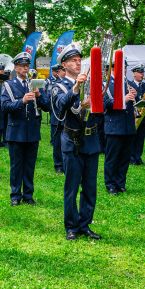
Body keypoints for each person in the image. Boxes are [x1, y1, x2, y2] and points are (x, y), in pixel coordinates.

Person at [51, 43, 102, 241]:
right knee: (71, 187)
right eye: (73, 60)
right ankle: (71, 226)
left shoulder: (90, 82)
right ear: (64, 64)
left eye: (80, 60)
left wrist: (98, 94)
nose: (78, 63)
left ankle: (85, 224)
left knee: (90, 186)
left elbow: (103, 106)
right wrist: (77, 89)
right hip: (72, 140)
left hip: (91, 138)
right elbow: (60, 105)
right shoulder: (59, 85)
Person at [0, 52, 51, 206]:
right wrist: (21, 101)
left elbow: (47, 106)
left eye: (27, 65)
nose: (25, 68)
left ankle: (28, 195)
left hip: (32, 130)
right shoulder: (8, 85)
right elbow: (5, 107)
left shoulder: (35, 83)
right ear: (15, 68)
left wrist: (39, 96)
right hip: (16, 130)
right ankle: (15, 195)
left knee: (30, 164)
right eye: (22, 66)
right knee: (16, 165)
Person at [103, 57, 137, 195]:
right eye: (121, 67)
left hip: (128, 125)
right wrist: (123, 99)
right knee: (112, 157)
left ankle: (120, 183)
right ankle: (110, 184)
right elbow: (105, 103)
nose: (124, 70)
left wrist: (136, 95)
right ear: (112, 68)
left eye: (125, 68)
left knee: (124, 157)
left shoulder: (126, 82)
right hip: (114, 125)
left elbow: (133, 102)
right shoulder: (105, 84)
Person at [47, 64, 65, 173]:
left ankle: (66, 163)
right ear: (59, 72)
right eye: (62, 70)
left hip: (68, 119)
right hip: (57, 117)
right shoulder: (55, 84)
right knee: (57, 143)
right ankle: (58, 164)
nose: (64, 72)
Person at [130, 64, 145, 165]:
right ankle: (132, 158)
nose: (142, 74)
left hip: (144, 116)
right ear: (134, 73)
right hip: (134, 116)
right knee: (133, 138)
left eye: (143, 72)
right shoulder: (130, 85)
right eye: (140, 72)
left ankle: (138, 157)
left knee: (141, 139)